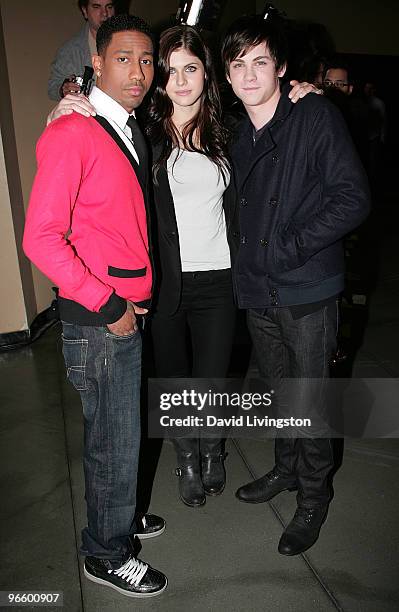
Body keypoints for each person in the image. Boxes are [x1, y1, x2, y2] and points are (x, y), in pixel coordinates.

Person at [24, 14, 167, 597]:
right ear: (98, 64)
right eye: (125, 58)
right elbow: (40, 239)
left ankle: (121, 516)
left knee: (124, 433)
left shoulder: (127, 127)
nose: (138, 71)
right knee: (113, 441)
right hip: (101, 321)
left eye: (146, 60)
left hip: (123, 311)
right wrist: (109, 306)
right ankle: (106, 553)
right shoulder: (73, 131)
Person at [221, 16, 370, 555]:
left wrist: (288, 245)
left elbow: (353, 199)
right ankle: (285, 470)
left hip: (307, 290)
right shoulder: (237, 133)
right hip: (259, 292)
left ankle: (313, 498)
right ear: (229, 77)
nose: (249, 74)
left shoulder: (315, 116)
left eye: (261, 61)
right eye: (238, 64)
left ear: (282, 68)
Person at [48, 0, 115, 100]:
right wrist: (63, 89)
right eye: (97, 7)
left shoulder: (130, 42)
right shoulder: (70, 51)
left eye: (109, 7)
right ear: (85, 11)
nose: (104, 13)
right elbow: (53, 88)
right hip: (88, 113)